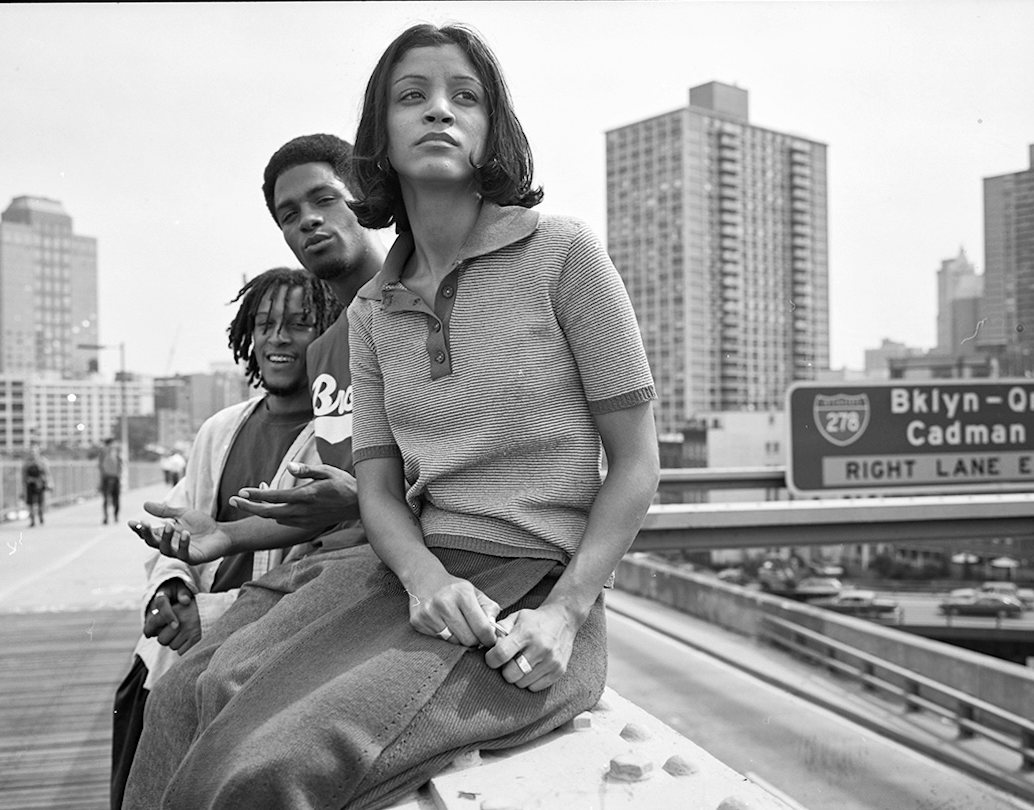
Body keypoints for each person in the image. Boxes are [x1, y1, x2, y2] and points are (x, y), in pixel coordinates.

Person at [124, 23, 660, 810]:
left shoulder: (565, 253)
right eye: (413, 95)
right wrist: (423, 576)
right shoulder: (373, 309)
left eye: (464, 96)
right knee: (180, 700)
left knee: (269, 769)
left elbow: (638, 463)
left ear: (492, 130)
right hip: (407, 575)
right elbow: (377, 488)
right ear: (380, 133)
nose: (439, 111)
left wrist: (565, 613)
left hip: (526, 590)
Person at [122, 132, 388, 808]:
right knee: (177, 705)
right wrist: (183, 575)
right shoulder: (241, 417)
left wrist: (359, 504)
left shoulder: (407, 318)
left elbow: (366, 512)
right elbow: (310, 520)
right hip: (235, 621)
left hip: (312, 614)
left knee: (233, 721)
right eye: (287, 213)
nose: (278, 338)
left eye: (325, 198)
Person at [111, 266, 342, 809]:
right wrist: (171, 588)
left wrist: (209, 615)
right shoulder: (220, 427)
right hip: (166, 659)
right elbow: (182, 528)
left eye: (299, 324)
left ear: (329, 335)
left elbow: (318, 569)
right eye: (264, 325)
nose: (277, 339)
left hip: (252, 673)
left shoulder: (336, 440)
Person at [22, 444, 51, 527]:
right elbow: (23, 474)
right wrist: (24, 482)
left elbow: (47, 473)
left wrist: (48, 482)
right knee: (30, 503)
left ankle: (41, 516)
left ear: (38, 452)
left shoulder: (43, 461)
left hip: (40, 484)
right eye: (31, 451)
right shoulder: (27, 462)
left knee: (40, 502)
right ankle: (32, 520)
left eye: (34, 451)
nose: (33, 453)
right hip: (30, 484)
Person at [99, 437, 125, 524]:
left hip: (112, 477)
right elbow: (101, 465)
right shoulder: (104, 452)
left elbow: (120, 464)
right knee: (109, 498)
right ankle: (108, 517)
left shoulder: (115, 452)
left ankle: (113, 516)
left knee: (113, 498)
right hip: (108, 477)